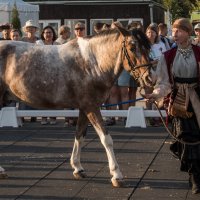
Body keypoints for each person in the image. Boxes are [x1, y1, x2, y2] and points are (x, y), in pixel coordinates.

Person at [144, 18, 200, 195]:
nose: (174, 34)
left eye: (179, 30)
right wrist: (155, 94)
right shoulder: (167, 56)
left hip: (198, 99)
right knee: (186, 140)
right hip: (178, 102)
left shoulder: (199, 52)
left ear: (188, 32)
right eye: (174, 30)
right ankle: (195, 178)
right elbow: (164, 83)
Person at [36, 25, 59, 125]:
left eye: (50, 32)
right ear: (43, 34)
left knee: (54, 96)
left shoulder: (57, 44)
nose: (48, 34)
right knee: (42, 95)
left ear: (53, 34)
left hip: (55, 73)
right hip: (42, 73)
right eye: (46, 32)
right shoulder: (38, 44)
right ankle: (43, 117)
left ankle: (53, 117)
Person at [19, 20, 40, 123]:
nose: (30, 29)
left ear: (35, 29)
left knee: (35, 91)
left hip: (37, 69)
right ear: (26, 29)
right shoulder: (22, 40)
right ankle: (22, 115)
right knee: (23, 90)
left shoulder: (39, 41)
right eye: (29, 27)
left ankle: (34, 115)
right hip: (24, 69)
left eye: (32, 27)